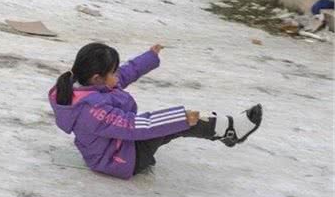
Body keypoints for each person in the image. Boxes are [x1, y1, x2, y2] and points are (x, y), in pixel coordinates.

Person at [48, 43, 262, 179]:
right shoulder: (92, 111)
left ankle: (225, 130)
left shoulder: (88, 85)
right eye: (113, 71)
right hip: (120, 159)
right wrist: (181, 117)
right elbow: (133, 126)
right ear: (97, 77)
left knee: (174, 122)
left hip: (118, 147)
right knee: (181, 122)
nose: (117, 76)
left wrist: (149, 57)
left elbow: (125, 73)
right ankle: (231, 129)